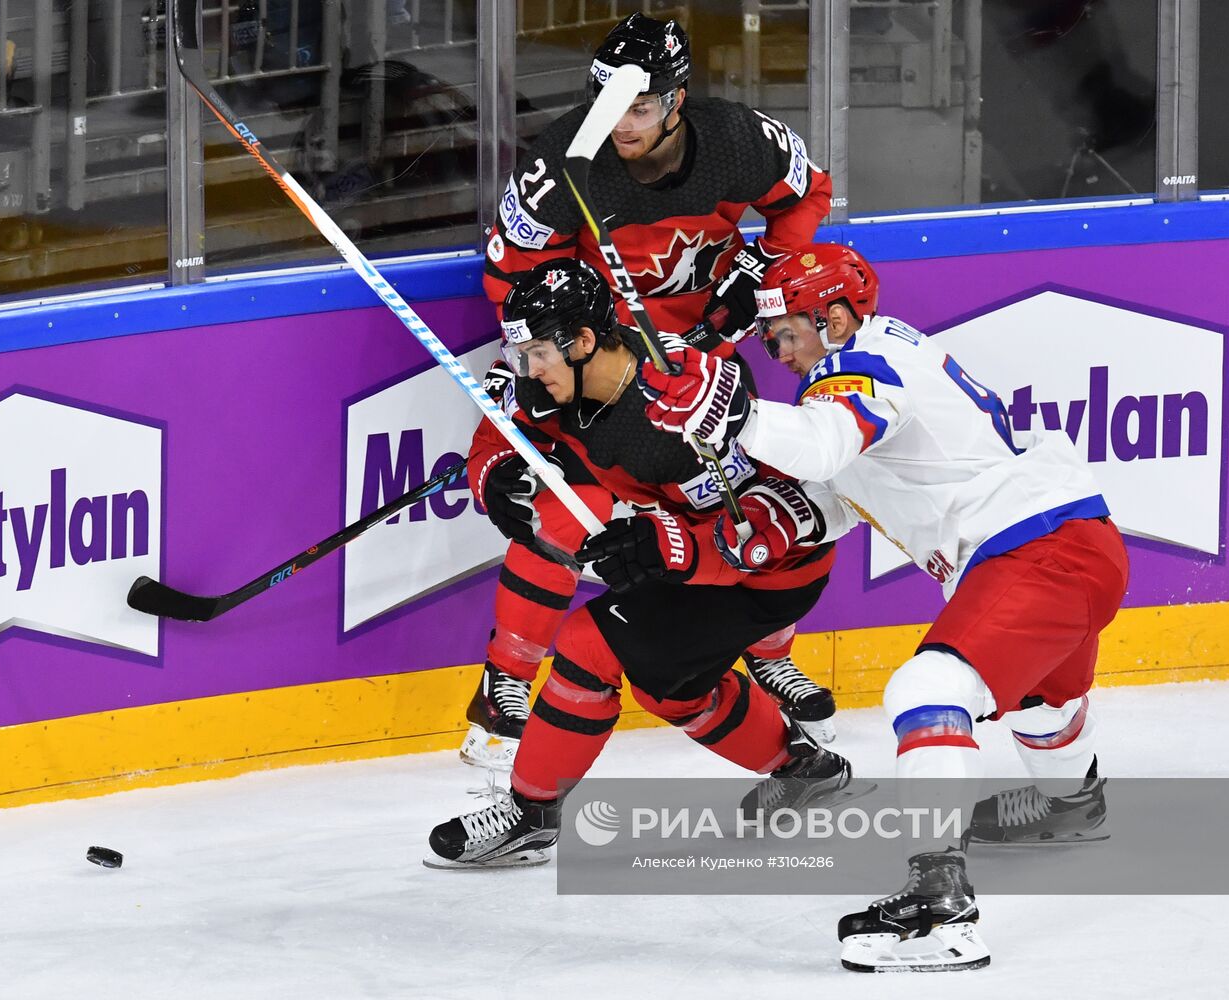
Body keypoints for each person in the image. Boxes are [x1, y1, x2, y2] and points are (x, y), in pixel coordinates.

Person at [638, 243, 1129, 972]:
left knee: (927, 689)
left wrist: (729, 412)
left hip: (1035, 548)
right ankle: (1072, 805)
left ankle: (940, 908)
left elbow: (822, 441)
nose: (777, 350)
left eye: (787, 332)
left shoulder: (860, 359)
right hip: (1065, 545)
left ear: (833, 314)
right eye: (769, 339)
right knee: (1034, 700)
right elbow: (832, 496)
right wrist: (735, 532)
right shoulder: (863, 368)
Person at [462, 11, 838, 766]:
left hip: (700, 364)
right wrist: (549, 357)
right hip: (601, 363)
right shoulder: (559, 167)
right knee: (563, 503)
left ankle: (762, 652)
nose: (619, 125)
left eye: (638, 108)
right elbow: (509, 282)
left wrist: (761, 272)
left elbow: (807, 196)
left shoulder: (738, 140)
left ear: (675, 100)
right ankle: (505, 678)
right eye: (609, 104)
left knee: (737, 503)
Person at [428, 260, 857, 868]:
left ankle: (531, 814)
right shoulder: (559, 374)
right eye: (519, 353)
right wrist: (492, 471)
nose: (525, 368)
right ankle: (803, 770)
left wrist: (666, 547)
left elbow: (758, 530)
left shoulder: (686, 412)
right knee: (673, 690)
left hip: (768, 569)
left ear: (581, 343)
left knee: (587, 647)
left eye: (537, 354)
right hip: (698, 552)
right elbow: (505, 427)